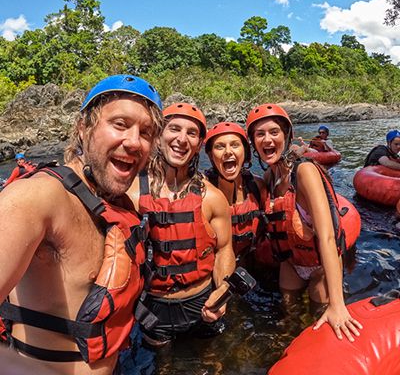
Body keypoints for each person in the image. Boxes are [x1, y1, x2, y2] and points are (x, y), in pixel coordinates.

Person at [0, 74, 163, 375]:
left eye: (147, 132)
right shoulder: (36, 198)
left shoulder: (117, 203)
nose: (134, 141)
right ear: (83, 127)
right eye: (120, 124)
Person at [246, 103, 363, 342]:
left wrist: (338, 304)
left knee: (319, 320)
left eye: (274, 132)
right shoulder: (270, 177)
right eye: (260, 134)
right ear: (253, 143)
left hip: (319, 266)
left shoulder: (304, 172)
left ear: (286, 136)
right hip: (290, 264)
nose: (267, 139)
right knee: (288, 323)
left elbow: (328, 237)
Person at [128, 103, 235, 346]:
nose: (182, 139)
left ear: (199, 145)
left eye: (192, 133)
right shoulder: (131, 193)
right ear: (158, 136)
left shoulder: (212, 197)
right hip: (153, 309)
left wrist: (223, 290)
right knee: (163, 366)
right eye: (174, 129)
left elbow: (224, 249)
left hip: (202, 303)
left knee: (214, 361)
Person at [204, 122, 268, 267]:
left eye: (235, 145)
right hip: (216, 267)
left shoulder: (258, 186)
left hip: (253, 266)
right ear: (210, 155)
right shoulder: (202, 191)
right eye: (219, 146)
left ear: (244, 151)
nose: (228, 151)